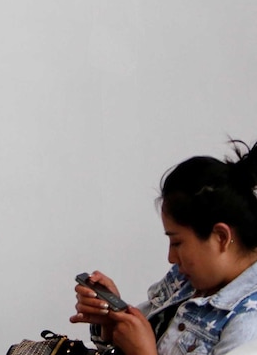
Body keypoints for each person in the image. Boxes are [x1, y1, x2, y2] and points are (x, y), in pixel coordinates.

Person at [71, 141, 257, 355]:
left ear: (221, 237)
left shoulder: (248, 325)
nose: (171, 258)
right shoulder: (187, 278)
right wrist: (112, 321)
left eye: (177, 242)